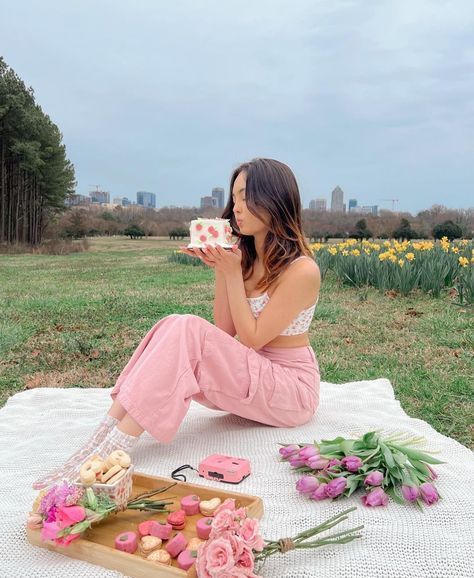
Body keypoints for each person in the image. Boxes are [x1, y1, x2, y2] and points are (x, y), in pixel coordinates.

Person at [33, 158, 321, 490]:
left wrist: (230, 273)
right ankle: (104, 433)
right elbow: (225, 329)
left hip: (290, 390)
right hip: (256, 376)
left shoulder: (302, 270)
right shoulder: (245, 259)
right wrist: (221, 267)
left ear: (274, 200)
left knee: (188, 328)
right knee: (175, 323)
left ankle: (115, 451)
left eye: (246, 197)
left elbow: (253, 338)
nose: (237, 208)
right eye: (235, 198)